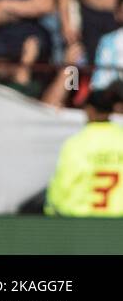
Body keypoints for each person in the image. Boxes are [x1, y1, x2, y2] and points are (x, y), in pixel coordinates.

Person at [44, 87, 123, 217]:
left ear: (89, 110)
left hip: (83, 225)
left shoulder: (76, 144)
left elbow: (62, 186)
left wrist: (51, 211)